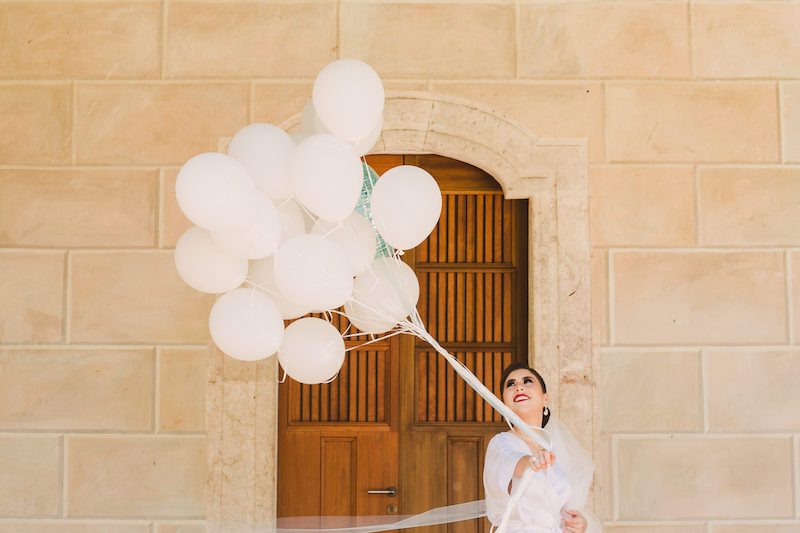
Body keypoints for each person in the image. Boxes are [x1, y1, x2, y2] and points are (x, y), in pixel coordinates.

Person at [483, 362, 596, 533]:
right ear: (503, 403)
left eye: (527, 381)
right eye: (510, 384)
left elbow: (557, 511)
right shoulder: (501, 444)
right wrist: (532, 461)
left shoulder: (555, 450)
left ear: (545, 398)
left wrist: (576, 524)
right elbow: (514, 463)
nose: (519, 387)